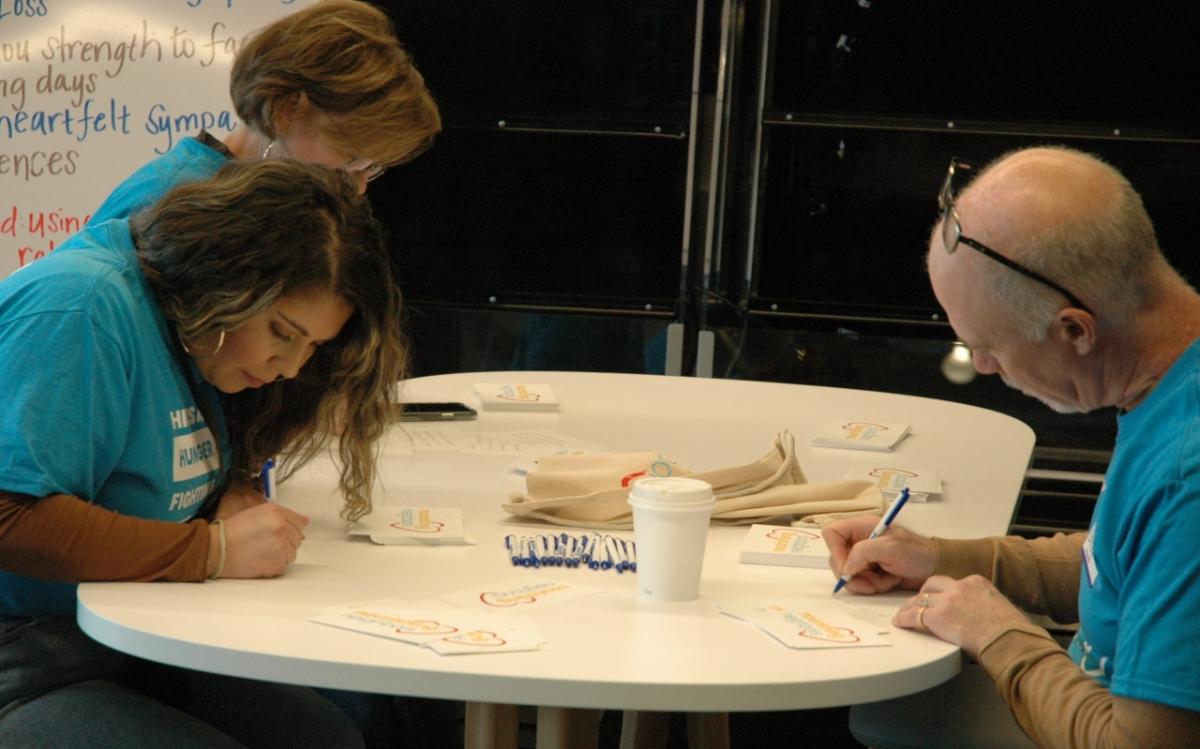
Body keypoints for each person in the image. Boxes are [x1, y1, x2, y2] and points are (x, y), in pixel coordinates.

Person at [0, 159, 407, 746]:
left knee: (328, 736)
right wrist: (210, 550)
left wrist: (230, 492)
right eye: (282, 332)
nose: (290, 366)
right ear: (227, 278)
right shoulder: (83, 309)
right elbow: (9, 516)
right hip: (24, 654)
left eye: (312, 346)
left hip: (116, 640)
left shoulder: (189, 327)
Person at [823, 146, 1200, 747]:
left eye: (990, 347)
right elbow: (1127, 562)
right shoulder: (1173, 382)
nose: (984, 366)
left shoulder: (1188, 478)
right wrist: (948, 559)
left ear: (1074, 329)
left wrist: (998, 632)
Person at [89, 0, 441, 225]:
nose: (358, 186)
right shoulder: (182, 203)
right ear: (284, 109)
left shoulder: (244, 196)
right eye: (350, 156)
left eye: (370, 168)